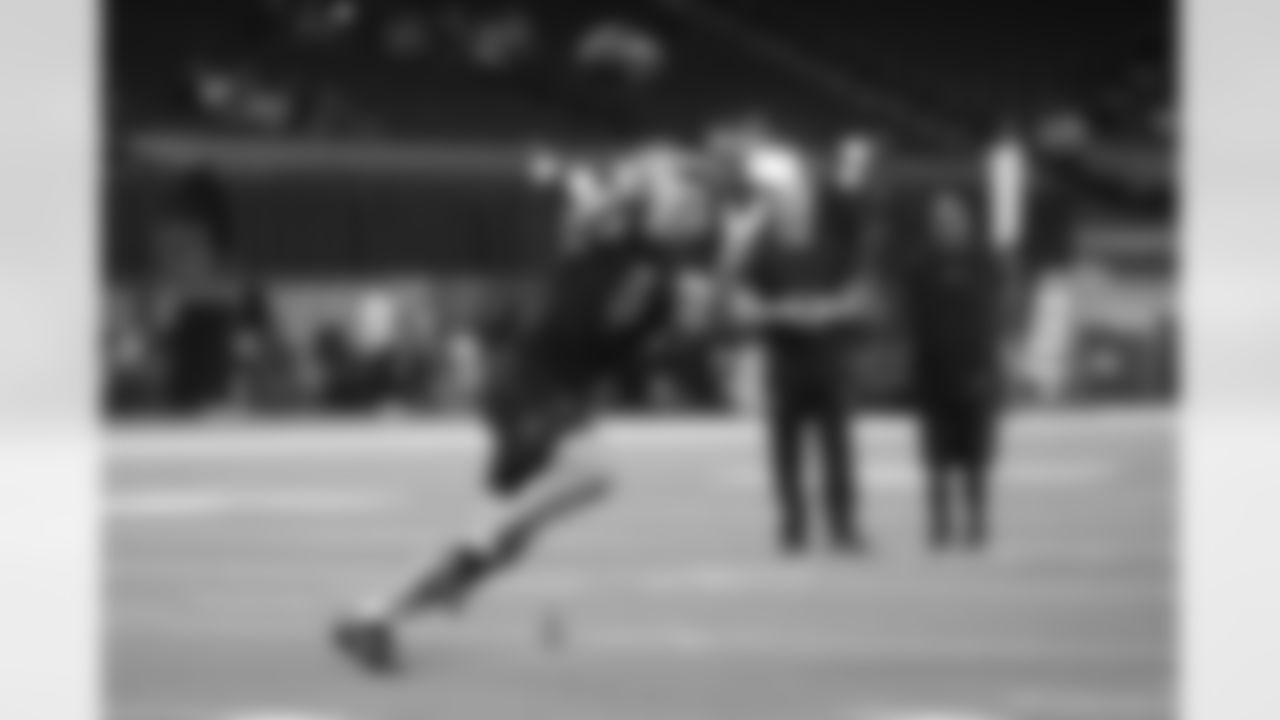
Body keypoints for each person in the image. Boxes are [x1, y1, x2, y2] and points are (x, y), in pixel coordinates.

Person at [332, 147, 722, 673]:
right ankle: (487, 539)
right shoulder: (614, 235)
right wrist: (610, 180)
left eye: (701, 205)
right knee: (592, 473)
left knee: (500, 541)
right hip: (530, 382)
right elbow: (585, 200)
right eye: (687, 199)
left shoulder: (665, 275)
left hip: (559, 390)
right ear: (655, 199)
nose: (696, 213)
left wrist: (685, 315)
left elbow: (632, 344)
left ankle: (374, 616)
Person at [723, 136, 882, 555]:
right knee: (786, 454)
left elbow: (860, 296)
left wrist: (827, 310)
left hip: (828, 363)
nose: (795, 207)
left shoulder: (833, 250)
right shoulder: (764, 252)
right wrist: (781, 311)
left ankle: (843, 526)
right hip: (786, 365)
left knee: (838, 452)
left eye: (801, 200)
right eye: (789, 200)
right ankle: (792, 525)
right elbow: (741, 303)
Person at [894, 186, 1011, 552]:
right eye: (941, 220)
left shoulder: (984, 262)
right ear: (933, 225)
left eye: (954, 219)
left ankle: (976, 523)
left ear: (967, 223)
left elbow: (994, 317)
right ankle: (940, 526)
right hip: (933, 374)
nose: (948, 226)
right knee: (936, 458)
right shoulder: (920, 266)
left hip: (975, 371)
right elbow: (912, 320)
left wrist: (991, 367)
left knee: (976, 456)